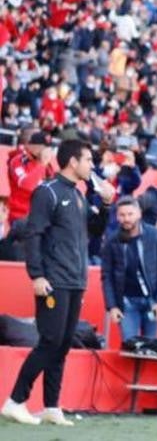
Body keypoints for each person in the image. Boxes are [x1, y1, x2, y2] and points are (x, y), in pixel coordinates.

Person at [3, 138, 113, 427]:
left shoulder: (78, 195)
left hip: (75, 280)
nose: (92, 166)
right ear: (73, 162)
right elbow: (33, 234)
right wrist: (36, 275)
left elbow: (95, 231)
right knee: (50, 342)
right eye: (88, 160)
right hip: (53, 280)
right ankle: (15, 400)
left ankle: (52, 406)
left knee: (63, 345)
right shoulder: (47, 192)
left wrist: (104, 204)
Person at [101, 196, 157, 341]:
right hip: (127, 303)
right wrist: (112, 306)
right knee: (130, 345)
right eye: (122, 215)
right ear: (117, 216)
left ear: (139, 213)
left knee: (150, 348)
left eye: (130, 214)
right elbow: (107, 276)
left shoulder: (155, 236)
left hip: (152, 301)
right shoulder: (112, 241)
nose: (126, 219)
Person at [5, 128, 51, 224]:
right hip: (20, 217)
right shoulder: (18, 160)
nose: (45, 151)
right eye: (43, 147)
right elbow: (25, 184)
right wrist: (42, 165)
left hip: (40, 218)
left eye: (47, 147)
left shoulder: (47, 166)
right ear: (30, 144)